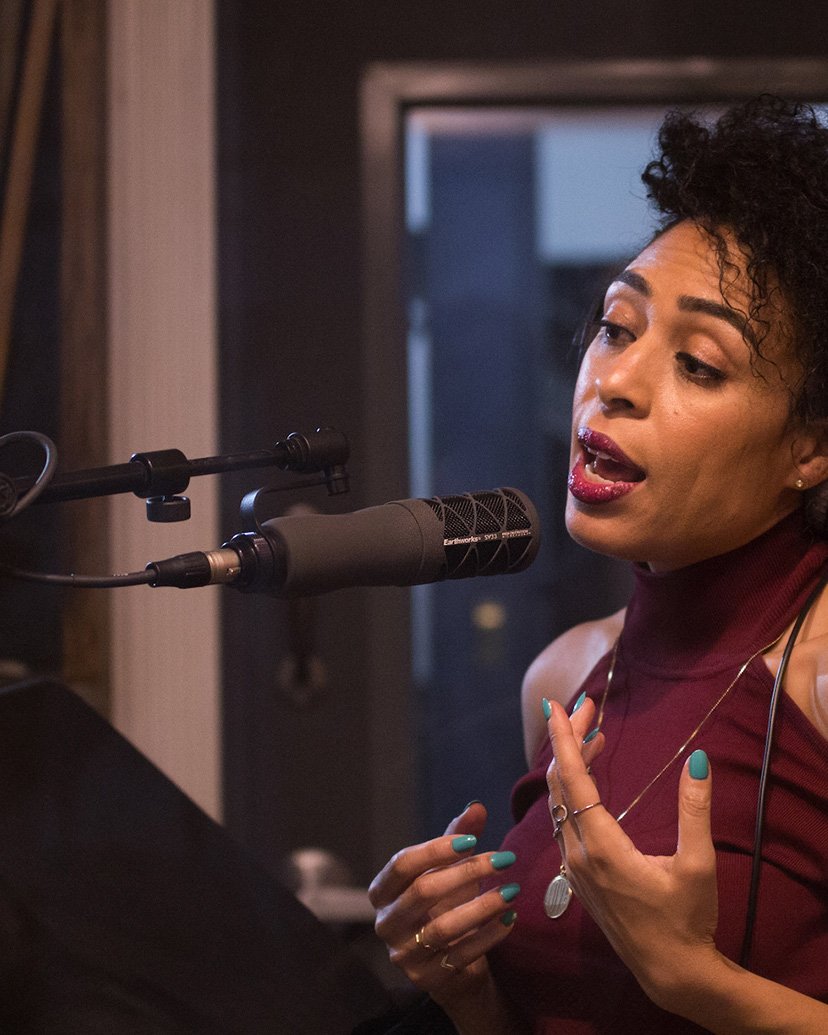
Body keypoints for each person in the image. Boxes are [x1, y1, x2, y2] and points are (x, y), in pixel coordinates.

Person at [367, 94, 828, 1033]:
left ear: (810, 449)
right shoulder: (566, 675)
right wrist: (469, 993)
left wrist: (697, 980)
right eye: (618, 327)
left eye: (699, 363)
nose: (612, 381)